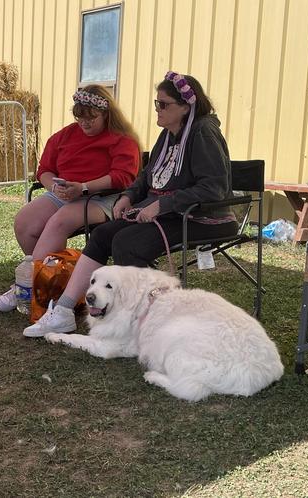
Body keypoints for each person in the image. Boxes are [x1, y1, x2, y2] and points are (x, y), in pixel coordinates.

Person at [23, 71, 239, 337]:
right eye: (156, 103)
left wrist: (161, 206)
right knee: (103, 235)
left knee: (128, 243)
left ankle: (141, 320)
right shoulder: (169, 135)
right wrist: (127, 197)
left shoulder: (203, 132)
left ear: (185, 107)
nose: (157, 110)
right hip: (170, 212)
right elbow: (146, 177)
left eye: (163, 104)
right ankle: (64, 311)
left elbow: (212, 188)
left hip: (200, 218)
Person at [0, 84, 141, 312]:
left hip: (104, 197)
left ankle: (27, 286)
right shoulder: (64, 136)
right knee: (25, 222)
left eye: (91, 118)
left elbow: (123, 177)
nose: (84, 123)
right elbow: (44, 170)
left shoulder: (121, 140)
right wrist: (54, 185)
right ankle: (54, 280)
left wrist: (82, 188)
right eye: (80, 117)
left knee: (59, 221)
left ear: (106, 114)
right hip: (66, 193)